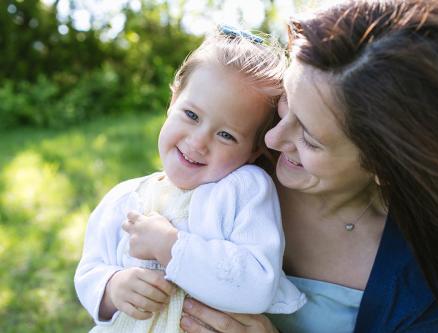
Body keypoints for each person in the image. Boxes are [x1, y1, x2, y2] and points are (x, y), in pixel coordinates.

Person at [121, 1, 438, 332]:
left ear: (383, 164)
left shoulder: (419, 273)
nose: (272, 139)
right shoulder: (233, 158)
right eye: (287, 102)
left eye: (311, 138)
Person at [74, 26, 307, 333]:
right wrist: (112, 287)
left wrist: (173, 247)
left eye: (226, 135)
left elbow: (258, 284)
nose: (198, 142)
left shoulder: (245, 192)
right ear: (172, 101)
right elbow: (89, 271)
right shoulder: (124, 199)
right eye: (191, 115)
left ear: (253, 150)